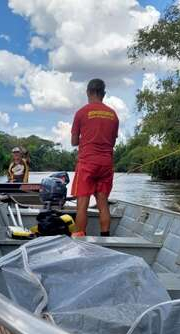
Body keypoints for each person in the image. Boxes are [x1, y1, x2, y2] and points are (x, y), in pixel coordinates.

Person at [70, 78, 119, 237]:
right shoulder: (113, 115)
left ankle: (79, 240)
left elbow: (74, 142)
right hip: (106, 164)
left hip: (87, 163)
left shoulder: (81, 113)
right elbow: (112, 141)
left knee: (82, 205)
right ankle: (105, 238)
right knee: (103, 203)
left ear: (88, 92)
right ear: (103, 94)